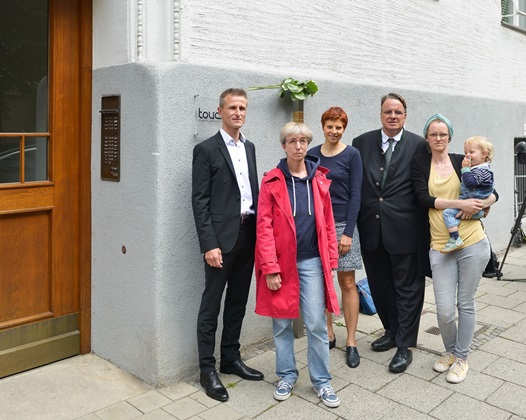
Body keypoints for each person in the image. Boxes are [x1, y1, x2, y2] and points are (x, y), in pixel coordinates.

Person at [255, 122, 341, 408]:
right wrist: (270, 267)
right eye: (292, 141)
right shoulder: (272, 181)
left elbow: (328, 224)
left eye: (303, 140)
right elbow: (264, 228)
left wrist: (330, 260)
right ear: (284, 146)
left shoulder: (319, 180)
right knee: (282, 324)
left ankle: (322, 380)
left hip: (313, 262)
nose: (299, 146)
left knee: (316, 323)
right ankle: (287, 375)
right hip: (282, 264)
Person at [412, 113, 496, 383]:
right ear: (427, 137)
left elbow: (493, 190)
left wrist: (485, 204)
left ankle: (461, 358)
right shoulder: (420, 162)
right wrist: (459, 205)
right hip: (440, 244)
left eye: (443, 134)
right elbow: (423, 198)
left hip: (472, 241)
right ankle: (448, 351)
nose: (439, 138)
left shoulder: (464, 160)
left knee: (465, 303)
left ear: (450, 137)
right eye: (433, 134)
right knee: (445, 309)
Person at [191, 88, 263, 402]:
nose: (237, 112)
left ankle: (230, 359)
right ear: (220, 111)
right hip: (221, 241)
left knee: (237, 302)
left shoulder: (250, 147)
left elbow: (253, 194)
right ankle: (207, 369)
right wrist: (209, 244)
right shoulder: (206, 150)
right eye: (232, 107)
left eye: (242, 108)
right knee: (211, 306)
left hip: (248, 236)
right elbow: (200, 201)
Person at [352, 92, 428, 373]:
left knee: (408, 289)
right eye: (388, 112)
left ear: (405, 116)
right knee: (381, 286)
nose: (393, 116)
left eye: (398, 112)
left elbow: (436, 177)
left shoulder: (420, 146)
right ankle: (391, 331)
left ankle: (406, 345)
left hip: (405, 230)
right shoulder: (361, 142)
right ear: (380, 114)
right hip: (371, 228)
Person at [309, 106, 364, 368]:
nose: (334, 131)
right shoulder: (311, 154)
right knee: (321, 281)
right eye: (329, 126)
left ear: (344, 128)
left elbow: (356, 195)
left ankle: (351, 341)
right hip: (317, 225)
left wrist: (349, 233)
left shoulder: (352, 154)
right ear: (323, 127)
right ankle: (327, 333)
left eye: (338, 127)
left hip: (343, 225)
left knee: (347, 282)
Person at [440, 136, 495, 253]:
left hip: (475, 210)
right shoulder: (477, 169)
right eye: (465, 152)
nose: (467, 155)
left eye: (471, 152)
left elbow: (470, 184)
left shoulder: (483, 171)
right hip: (475, 208)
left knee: (448, 213)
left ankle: (455, 238)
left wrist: (465, 169)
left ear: (484, 154)